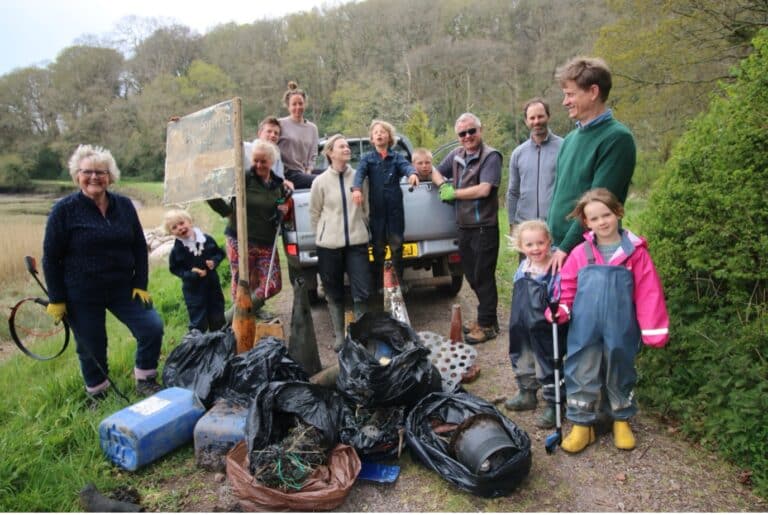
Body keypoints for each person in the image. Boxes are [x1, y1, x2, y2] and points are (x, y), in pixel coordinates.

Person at [546, 188, 669, 453]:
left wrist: (653, 328)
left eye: (607, 215)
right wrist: (562, 308)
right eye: (594, 218)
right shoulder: (580, 253)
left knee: (620, 367)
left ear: (618, 212)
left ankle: (621, 419)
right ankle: (582, 424)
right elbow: (566, 285)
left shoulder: (635, 253)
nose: (602, 222)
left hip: (621, 327)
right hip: (585, 328)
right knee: (582, 367)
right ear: (586, 223)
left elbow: (649, 293)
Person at [42, 144, 165, 400]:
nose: (95, 177)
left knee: (151, 327)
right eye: (88, 172)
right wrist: (57, 299)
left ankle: (145, 378)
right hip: (81, 292)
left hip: (123, 287)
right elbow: (51, 258)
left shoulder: (124, 205)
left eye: (101, 172)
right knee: (92, 347)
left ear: (111, 176)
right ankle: (98, 394)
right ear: (77, 175)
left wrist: (140, 283)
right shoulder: (63, 211)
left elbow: (139, 247)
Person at [547, 57, 637, 274]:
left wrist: (566, 248)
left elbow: (599, 203)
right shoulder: (570, 138)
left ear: (593, 92)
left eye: (570, 94)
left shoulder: (617, 138)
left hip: (590, 253)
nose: (564, 102)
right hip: (558, 249)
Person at [433, 112, 502, 344]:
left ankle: (487, 325)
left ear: (480, 131)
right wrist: (442, 184)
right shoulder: (456, 155)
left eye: (472, 131)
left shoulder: (491, 156)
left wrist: (455, 193)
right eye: (463, 133)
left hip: (484, 226)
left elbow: (484, 189)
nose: (468, 136)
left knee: (483, 276)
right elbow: (434, 170)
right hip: (463, 227)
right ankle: (487, 318)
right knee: (472, 276)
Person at [208, 140, 291, 319]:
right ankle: (243, 318)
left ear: (272, 162)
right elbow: (211, 194)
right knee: (243, 284)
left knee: (273, 284)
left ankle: (232, 317)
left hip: (267, 241)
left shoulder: (278, 185)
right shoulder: (243, 177)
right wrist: (228, 212)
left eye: (263, 161)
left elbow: (278, 204)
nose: (259, 165)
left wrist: (281, 209)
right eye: (256, 160)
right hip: (240, 238)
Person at [310, 134, 371, 350]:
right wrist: (325, 234)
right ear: (330, 153)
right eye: (342, 146)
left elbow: (367, 208)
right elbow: (315, 213)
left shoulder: (359, 178)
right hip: (329, 246)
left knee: (362, 290)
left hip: (357, 242)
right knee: (333, 291)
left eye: (347, 146)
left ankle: (360, 336)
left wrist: (362, 225)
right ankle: (339, 336)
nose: (347, 149)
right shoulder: (320, 182)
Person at [504, 220, 566, 429]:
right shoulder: (523, 266)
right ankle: (526, 392)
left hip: (544, 325)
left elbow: (559, 295)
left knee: (547, 362)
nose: (536, 248)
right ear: (521, 247)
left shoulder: (554, 267)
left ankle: (554, 402)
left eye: (540, 243)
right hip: (521, 321)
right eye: (529, 245)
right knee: (521, 355)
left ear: (549, 242)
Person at [351, 120, 419, 289]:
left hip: (395, 211)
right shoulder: (367, 159)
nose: (379, 134)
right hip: (377, 211)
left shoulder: (397, 158)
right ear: (372, 139)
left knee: (397, 246)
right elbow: (359, 174)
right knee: (378, 247)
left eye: (383, 132)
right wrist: (357, 189)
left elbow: (407, 167)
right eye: (376, 132)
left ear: (389, 137)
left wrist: (412, 174)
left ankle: (397, 282)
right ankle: (380, 283)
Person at [506, 98, 563, 236]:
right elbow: (513, 192)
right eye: (532, 118)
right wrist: (512, 223)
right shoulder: (518, 153)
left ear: (548, 116)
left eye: (540, 116)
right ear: (526, 121)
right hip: (525, 227)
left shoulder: (564, 147)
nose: (536, 121)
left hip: (555, 225)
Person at [165, 209, 226, 332]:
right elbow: (175, 268)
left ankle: (220, 344)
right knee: (198, 322)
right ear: (171, 232)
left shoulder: (206, 239)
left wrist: (214, 262)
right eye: (174, 227)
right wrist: (190, 274)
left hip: (212, 286)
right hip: (194, 292)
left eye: (182, 223)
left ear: (190, 221)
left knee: (218, 317)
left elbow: (220, 253)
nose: (180, 228)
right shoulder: (176, 250)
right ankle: (199, 347)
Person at [277, 81, 318, 189]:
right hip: (288, 173)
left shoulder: (312, 128)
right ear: (288, 106)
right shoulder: (280, 124)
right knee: (323, 181)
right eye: (294, 104)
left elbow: (313, 155)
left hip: (304, 171)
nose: (298, 107)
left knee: (333, 174)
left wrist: (308, 171)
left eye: (300, 103)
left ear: (305, 104)